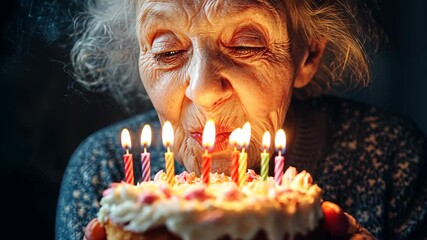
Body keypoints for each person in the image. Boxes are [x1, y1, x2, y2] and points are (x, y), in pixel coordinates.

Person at [55, 0, 427, 239]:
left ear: (307, 56)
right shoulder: (104, 170)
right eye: (168, 51)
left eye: (246, 45)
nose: (203, 90)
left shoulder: (392, 156)